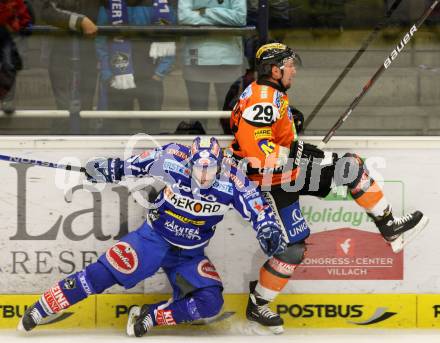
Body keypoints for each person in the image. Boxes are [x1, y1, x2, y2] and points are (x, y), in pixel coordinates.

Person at [228, 42, 429, 333]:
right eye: (289, 65)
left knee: (351, 166)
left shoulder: (271, 94)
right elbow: (260, 154)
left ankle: (389, 226)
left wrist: (301, 150)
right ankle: (258, 305)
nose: (294, 70)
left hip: (286, 174)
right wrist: (299, 155)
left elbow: (278, 144)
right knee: (292, 250)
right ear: (275, 70)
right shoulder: (262, 99)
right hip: (267, 184)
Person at [17, 136, 286, 337]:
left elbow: (257, 206)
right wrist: (110, 168)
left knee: (210, 302)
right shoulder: (172, 157)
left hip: (190, 254)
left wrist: (268, 228)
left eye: (210, 169)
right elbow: (133, 165)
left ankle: (150, 316)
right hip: (153, 239)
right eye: (199, 168)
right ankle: (43, 306)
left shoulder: (233, 178)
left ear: (220, 164)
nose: (204, 176)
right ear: (189, 162)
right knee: (101, 275)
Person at [177, 0, 246, 133]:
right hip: (204, 57)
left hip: (226, 58)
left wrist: (204, 11)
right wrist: (223, 17)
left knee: (228, 116)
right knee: (206, 116)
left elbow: (239, 18)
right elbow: (184, 17)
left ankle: (202, 149)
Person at [95, 0, 176, 111]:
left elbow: (170, 37)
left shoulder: (162, 3)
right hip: (117, 74)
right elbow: (100, 39)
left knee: (151, 125)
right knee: (119, 125)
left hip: (150, 75)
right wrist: (107, 73)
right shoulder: (108, 4)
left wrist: (159, 73)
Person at [41, 0, 100, 110]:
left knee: (86, 108)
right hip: (61, 50)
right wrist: (80, 21)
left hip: (90, 50)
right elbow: (48, 11)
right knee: (64, 108)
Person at [0, 0, 33, 110]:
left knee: (8, 66)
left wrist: (23, 27)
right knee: (8, 66)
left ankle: (7, 100)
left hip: (9, 40)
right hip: (7, 39)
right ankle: (7, 100)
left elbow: (27, 22)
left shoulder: (19, 3)